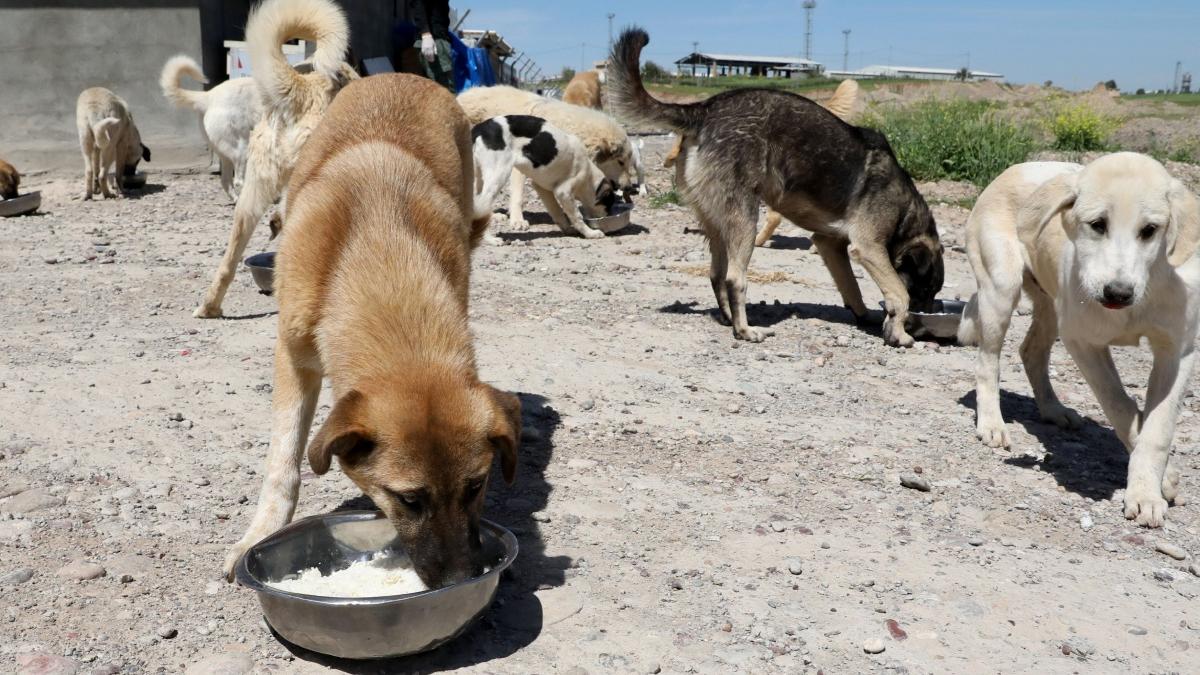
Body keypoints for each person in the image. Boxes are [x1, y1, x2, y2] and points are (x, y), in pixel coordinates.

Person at [408, 0, 454, 91]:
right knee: (444, 90)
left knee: (436, 89)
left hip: (437, 39)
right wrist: (426, 34)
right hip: (434, 41)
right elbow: (418, 3)